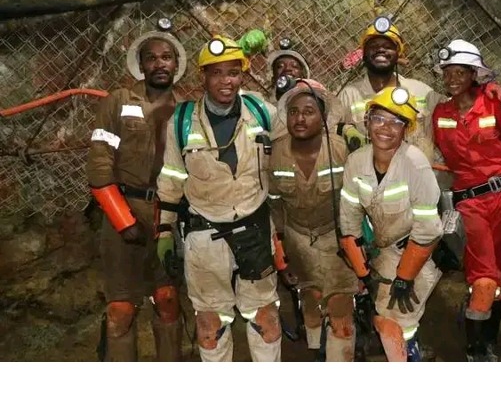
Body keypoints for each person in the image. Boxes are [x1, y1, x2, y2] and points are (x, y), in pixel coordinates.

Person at [155, 33, 282, 362]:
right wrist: (165, 230)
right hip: (205, 234)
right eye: (217, 73)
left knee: (266, 319)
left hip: (255, 226)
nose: (226, 81)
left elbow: (297, 128)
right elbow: (171, 179)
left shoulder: (260, 110)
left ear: (242, 75)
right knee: (211, 325)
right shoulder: (182, 121)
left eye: (233, 73)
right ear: (204, 76)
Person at [87, 19, 187, 361]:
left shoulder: (186, 110)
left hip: (168, 214)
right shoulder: (118, 101)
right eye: (151, 58)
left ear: (176, 64)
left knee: (168, 299)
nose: (159, 63)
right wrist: (121, 218)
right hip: (125, 207)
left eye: (166, 57)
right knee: (121, 309)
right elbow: (100, 161)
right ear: (141, 65)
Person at [431, 39, 501, 362]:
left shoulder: (495, 105)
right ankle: (475, 351)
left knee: (498, 273)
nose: (452, 79)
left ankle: (489, 343)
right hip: (469, 202)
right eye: (447, 72)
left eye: (460, 72)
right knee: (484, 276)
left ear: (473, 74)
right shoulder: (440, 113)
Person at [338, 86, 443, 362]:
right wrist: (363, 274)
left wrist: (405, 278)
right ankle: (408, 351)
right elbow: (349, 221)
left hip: (416, 252)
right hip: (382, 251)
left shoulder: (415, 165)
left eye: (396, 122)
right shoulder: (356, 162)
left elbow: (428, 230)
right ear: (367, 122)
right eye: (379, 119)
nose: (386, 128)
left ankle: (408, 355)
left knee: (394, 321)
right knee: (388, 318)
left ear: (406, 129)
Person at [268, 79, 358, 361]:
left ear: (323, 117)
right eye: (294, 112)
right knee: (311, 302)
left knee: (340, 311)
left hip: (336, 238)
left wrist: (357, 246)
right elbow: (275, 205)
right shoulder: (276, 153)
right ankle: (316, 353)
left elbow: (357, 203)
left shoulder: (342, 150)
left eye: (309, 112)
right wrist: (281, 251)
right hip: (296, 239)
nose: (300, 119)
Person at [338, 16, 501, 163]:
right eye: (374, 46)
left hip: (419, 180)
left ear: (398, 54)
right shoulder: (348, 95)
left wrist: (484, 90)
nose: (381, 50)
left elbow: (460, 103)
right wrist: (346, 130)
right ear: (364, 52)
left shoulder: (421, 92)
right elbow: (329, 129)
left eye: (388, 46)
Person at [265, 37, 311, 102]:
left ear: (303, 76)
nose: (287, 68)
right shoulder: (261, 103)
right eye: (280, 66)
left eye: (294, 66)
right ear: (273, 76)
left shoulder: (310, 104)